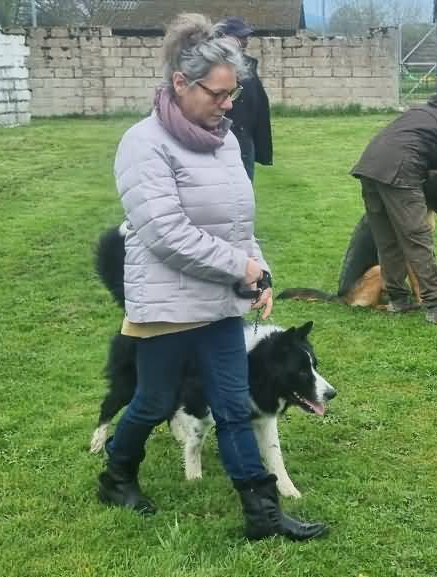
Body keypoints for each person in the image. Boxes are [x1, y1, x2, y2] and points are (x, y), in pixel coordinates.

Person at [97, 13, 326, 542]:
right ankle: (116, 477)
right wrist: (239, 266)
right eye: (218, 94)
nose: (228, 105)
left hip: (219, 302)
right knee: (154, 402)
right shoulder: (143, 143)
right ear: (181, 83)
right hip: (165, 306)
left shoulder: (224, 141)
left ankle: (263, 515)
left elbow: (238, 224)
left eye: (233, 94)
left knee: (232, 404)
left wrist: (259, 271)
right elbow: (165, 233)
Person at [350, 93, 437, 326]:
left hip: (370, 166)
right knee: (418, 238)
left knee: (387, 239)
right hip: (401, 169)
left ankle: (398, 299)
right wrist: (434, 200)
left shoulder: (429, 110)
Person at [217, 17, 273, 180]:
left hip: (245, 138)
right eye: (240, 37)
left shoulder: (248, 66)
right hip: (223, 135)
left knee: (246, 186)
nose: (245, 41)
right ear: (224, 37)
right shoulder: (212, 66)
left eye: (246, 37)